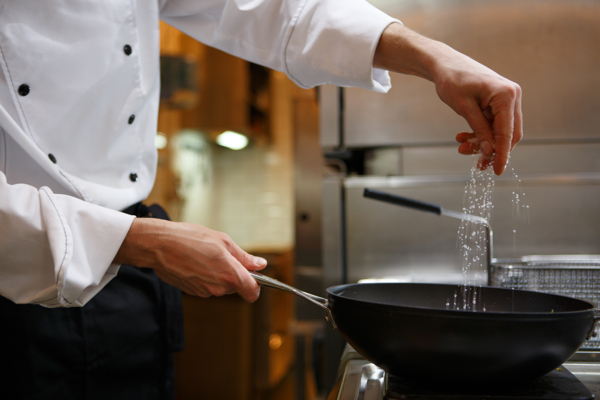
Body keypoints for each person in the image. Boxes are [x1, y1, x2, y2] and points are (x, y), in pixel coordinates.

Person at [0, 0, 522, 399]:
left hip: (126, 285)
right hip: (20, 284)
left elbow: (269, 8)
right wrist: (137, 242)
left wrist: (434, 56)